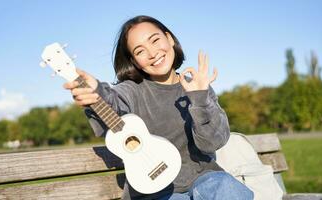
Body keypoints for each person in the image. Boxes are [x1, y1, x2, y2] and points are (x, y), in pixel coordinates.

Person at [63, 15, 254, 200]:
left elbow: (212, 143)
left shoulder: (198, 85)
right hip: (155, 191)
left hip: (205, 179)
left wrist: (200, 98)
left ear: (169, 39)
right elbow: (113, 103)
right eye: (140, 51)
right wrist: (96, 91)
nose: (153, 53)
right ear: (134, 61)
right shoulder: (132, 91)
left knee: (227, 188)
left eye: (155, 40)